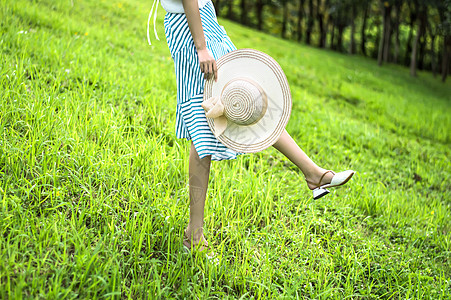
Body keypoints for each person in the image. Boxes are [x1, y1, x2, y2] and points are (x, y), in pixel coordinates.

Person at [156, 0, 355, 251]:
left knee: (250, 105)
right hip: (191, 28)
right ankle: (193, 236)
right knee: (204, 127)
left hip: (205, 21)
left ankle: (313, 173)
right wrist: (201, 46)